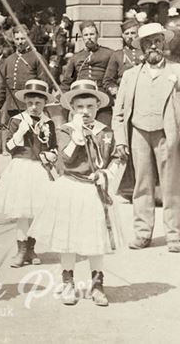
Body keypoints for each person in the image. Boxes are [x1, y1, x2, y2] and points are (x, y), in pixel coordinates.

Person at [30, 79, 124, 307]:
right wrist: (77, 136)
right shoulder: (65, 130)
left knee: (95, 239)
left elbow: (118, 157)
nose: (85, 112)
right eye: (80, 107)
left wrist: (106, 175)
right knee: (69, 239)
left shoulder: (106, 132)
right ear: (72, 109)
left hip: (94, 190)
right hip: (71, 187)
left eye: (90, 107)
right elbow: (66, 158)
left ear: (98, 107)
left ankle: (97, 284)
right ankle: (68, 281)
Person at [113, 23, 180, 252]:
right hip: (139, 135)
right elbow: (119, 112)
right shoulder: (131, 76)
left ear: (164, 44)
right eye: (148, 43)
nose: (153, 46)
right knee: (142, 186)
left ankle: (174, 236)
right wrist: (121, 139)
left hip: (168, 136)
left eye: (157, 42)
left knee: (171, 187)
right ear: (141, 47)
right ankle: (143, 234)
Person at [0, 78, 58, 268]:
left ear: (45, 103)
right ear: (24, 103)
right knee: (22, 213)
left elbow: (53, 148)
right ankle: (20, 251)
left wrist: (50, 156)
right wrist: (21, 131)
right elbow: (9, 147)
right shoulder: (16, 120)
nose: (34, 107)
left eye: (38, 103)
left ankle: (31, 249)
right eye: (30, 103)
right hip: (21, 167)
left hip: (39, 169)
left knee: (37, 212)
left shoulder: (48, 123)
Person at [0, 25, 47, 118]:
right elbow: (2, 85)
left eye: (23, 38)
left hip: (29, 105)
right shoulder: (8, 60)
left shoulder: (37, 58)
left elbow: (44, 82)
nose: (20, 42)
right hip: (11, 105)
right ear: (13, 40)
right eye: (17, 39)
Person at [103, 18, 144, 103]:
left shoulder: (145, 52)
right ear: (123, 35)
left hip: (143, 92)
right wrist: (116, 91)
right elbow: (108, 80)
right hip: (124, 94)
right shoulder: (117, 55)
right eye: (127, 33)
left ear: (138, 34)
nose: (129, 36)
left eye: (133, 33)